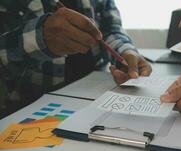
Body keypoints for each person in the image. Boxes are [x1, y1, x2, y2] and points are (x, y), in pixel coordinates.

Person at [0, 0, 151, 116]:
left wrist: (126, 52)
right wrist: (37, 38)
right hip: (27, 108)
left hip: (94, 99)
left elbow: (111, 28)